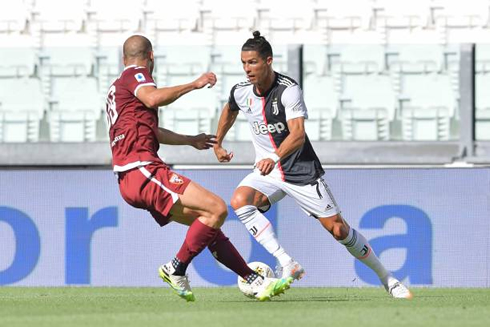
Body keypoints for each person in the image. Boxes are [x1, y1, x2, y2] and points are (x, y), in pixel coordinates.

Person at [213, 31, 412, 299]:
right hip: (268, 173)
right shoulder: (241, 91)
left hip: (300, 171)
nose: (247, 69)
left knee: (339, 230)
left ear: (268, 61)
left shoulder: (288, 89)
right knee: (240, 201)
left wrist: (273, 157)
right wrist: (218, 143)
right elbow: (230, 109)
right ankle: (287, 262)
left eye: (252, 63)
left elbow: (297, 135)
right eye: (243, 63)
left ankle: (388, 279)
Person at [106, 35, 293, 302]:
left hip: (130, 177)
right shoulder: (136, 75)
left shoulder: (117, 89)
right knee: (217, 208)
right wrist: (194, 84)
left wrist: (188, 140)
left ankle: (252, 280)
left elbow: (151, 130)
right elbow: (153, 98)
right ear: (150, 57)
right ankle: (176, 267)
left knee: (206, 224)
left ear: (124, 58)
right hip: (142, 169)